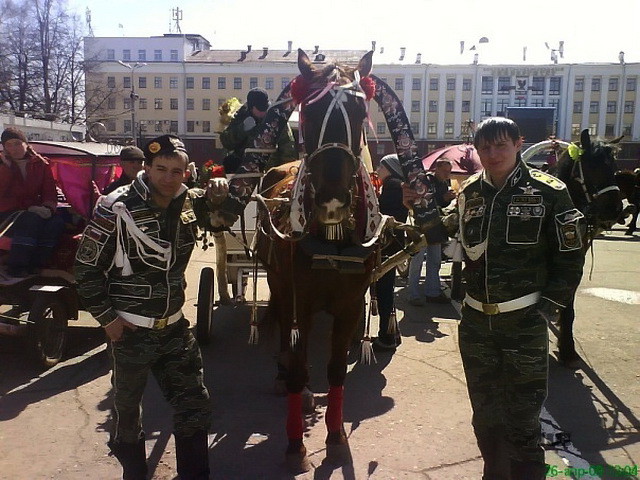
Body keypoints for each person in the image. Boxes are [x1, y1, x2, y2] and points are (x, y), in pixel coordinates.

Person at [75, 134, 214, 480]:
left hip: (175, 328)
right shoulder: (117, 206)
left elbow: (222, 219)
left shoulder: (188, 203)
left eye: (176, 171)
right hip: (131, 330)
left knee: (194, 405)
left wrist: (227, 195)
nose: (169, 177)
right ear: (147, 168)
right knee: (127, 414)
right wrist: (108, 319)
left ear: (186, 172)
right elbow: (86, 268)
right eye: (161, 169)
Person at [457, 118, 585, 479]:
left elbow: (570, 254)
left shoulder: (548, 191)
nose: (492, 154)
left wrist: (549, 309)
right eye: (484, 148)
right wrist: (417, 207)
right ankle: (493, 473)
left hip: (524, 321)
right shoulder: (469, 192)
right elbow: (444, 231)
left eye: (500, 145)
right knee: (484, 413)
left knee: (523, 416)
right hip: (476, 323)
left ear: (518, 143)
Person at [0, 127, 65, 277]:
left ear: (25, 144)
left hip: (32, 210)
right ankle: (16, 267)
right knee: (29, 220)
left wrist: (48, 208)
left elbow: (49, 190)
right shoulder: (2, 165)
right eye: (8, 145)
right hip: (6, 212)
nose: (13, 149)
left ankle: (37, 264)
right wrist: (7, 169)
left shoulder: (40, 163)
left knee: (56, 222)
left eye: (17, 143)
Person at [407, 159, 456, 306]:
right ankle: (413, 294)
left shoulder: (444, 184)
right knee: (417, 261)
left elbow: (441, 205)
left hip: (437, 226)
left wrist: (448, 200)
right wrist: (443, 198)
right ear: (437, 169)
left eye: (449, 171)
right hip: (422, 224)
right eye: (445, 171)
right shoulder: (426, 180)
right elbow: (424, 201)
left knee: (435, 260)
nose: (447, 174)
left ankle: (432, 292)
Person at [372, 154, 408, 351]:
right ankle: (392, 332)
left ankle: (387, 337)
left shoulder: (393, 185)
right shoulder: (395, 185)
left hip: (387, 243)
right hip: (393, 242)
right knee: (386, 288)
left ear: (391, 168)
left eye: (381, 166)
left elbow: (383, 214)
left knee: (384, 289)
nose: (378, 169)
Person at [219, 87, 297, 172]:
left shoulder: (276, 118)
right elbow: (226, 142)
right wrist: (243, 128)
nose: (263, 112)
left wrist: (285, 172)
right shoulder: (241, 116)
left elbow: (288, 148)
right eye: (260, 109)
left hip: (270, 172)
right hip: (245, 172)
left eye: (265, 108)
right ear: (251, 108)